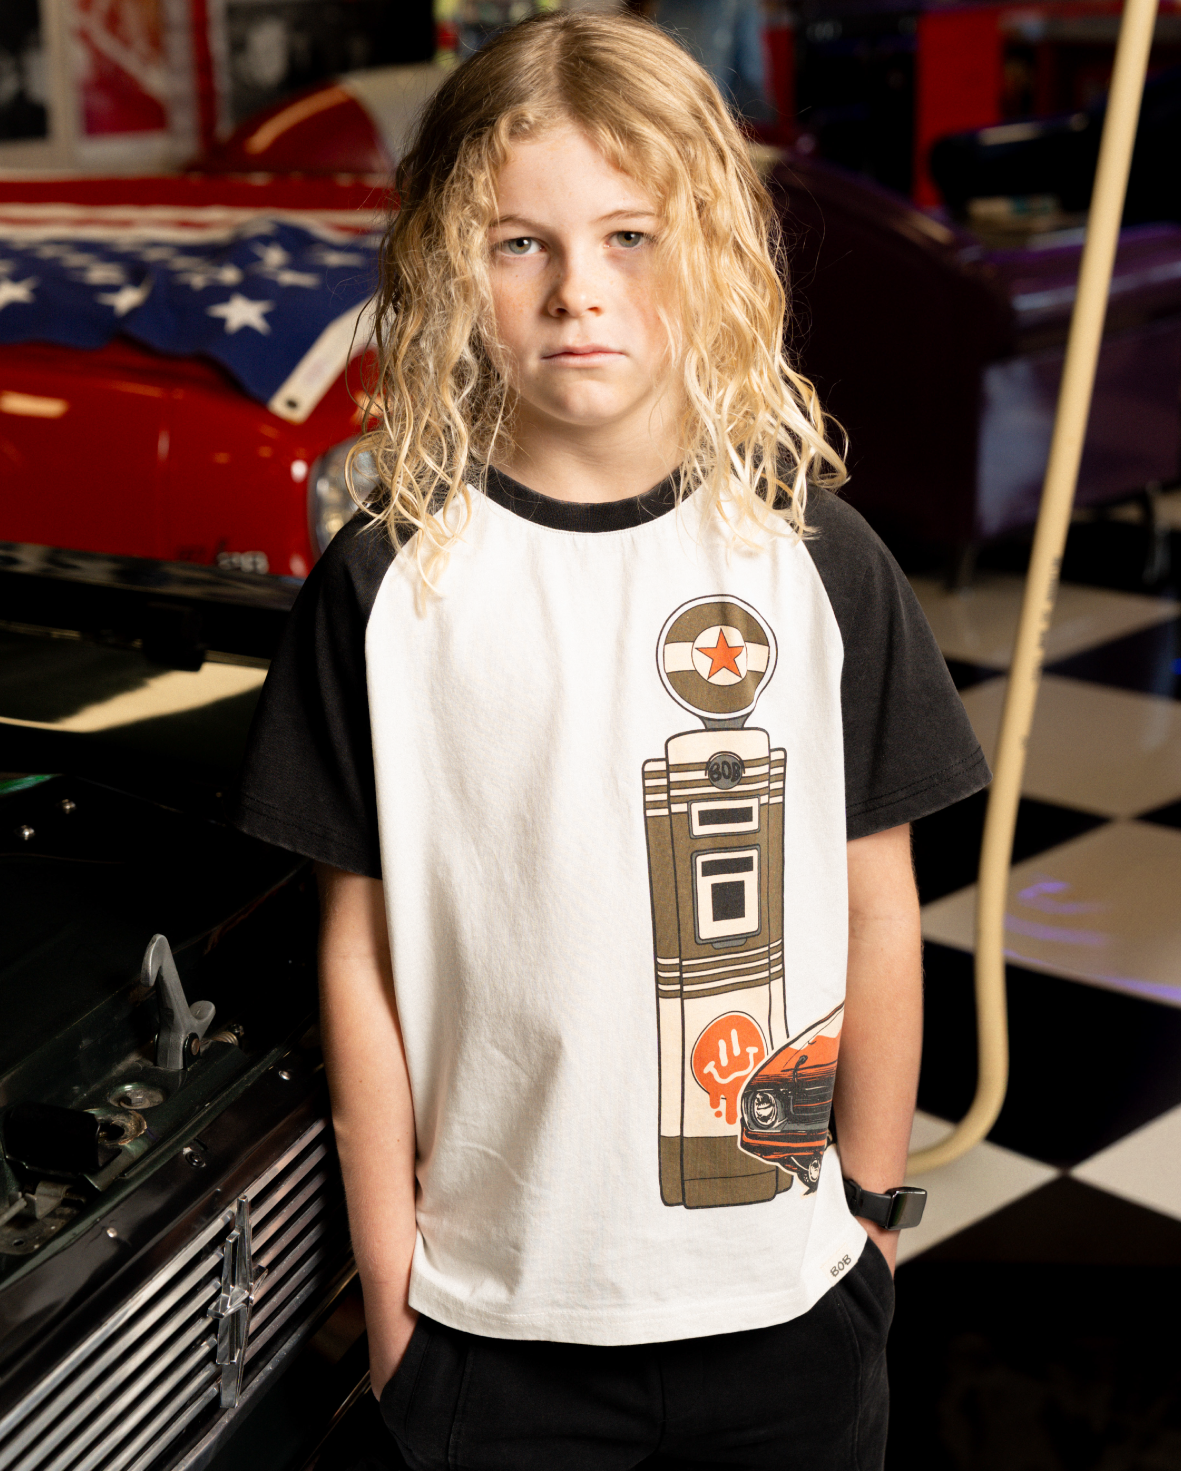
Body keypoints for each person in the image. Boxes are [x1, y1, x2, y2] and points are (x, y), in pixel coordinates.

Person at [234, 11, 988, 1468]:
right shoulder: (389, 587)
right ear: (454, 262)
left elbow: (880, 907)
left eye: (632, 234)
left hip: (786, 1310)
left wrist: (873, 1214)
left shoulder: (814, 563)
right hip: (492, 1333)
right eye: (522, 243)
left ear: (713, 243)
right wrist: (394, 1302)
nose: (581, 289)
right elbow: (358, 954)